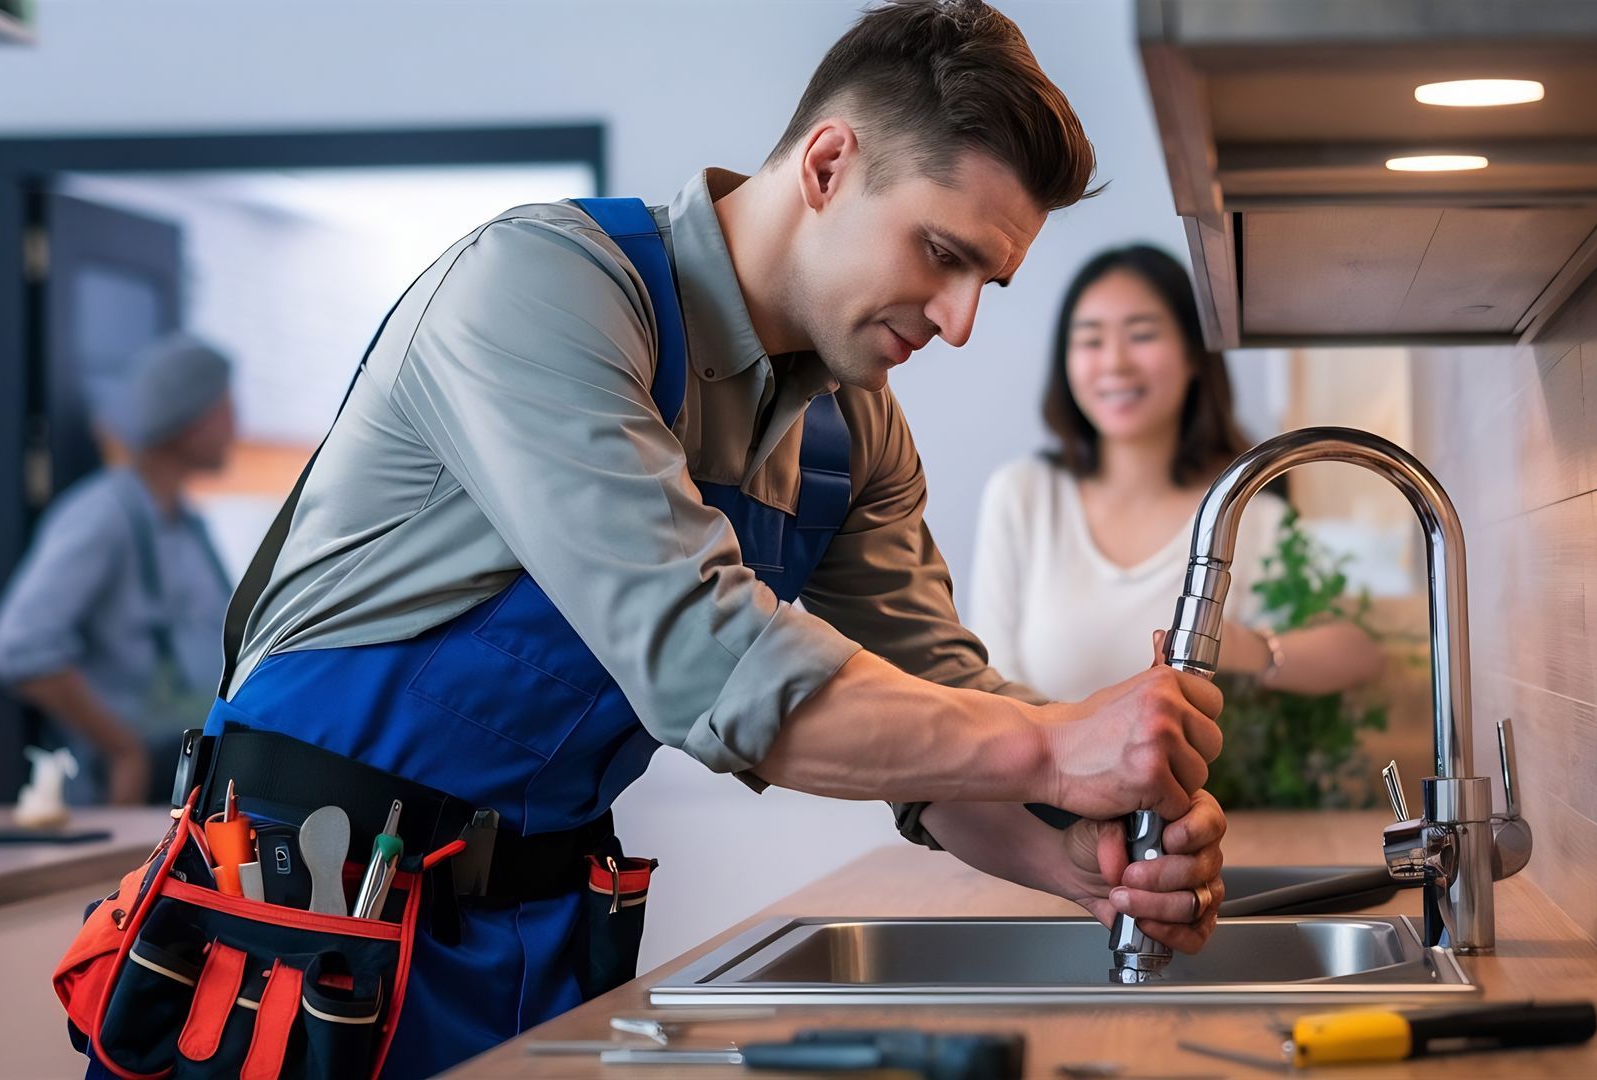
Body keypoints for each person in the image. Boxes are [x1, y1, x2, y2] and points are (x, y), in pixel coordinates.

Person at [198, 5, 1226, 1074]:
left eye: (989, 282)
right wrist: (1062, 746)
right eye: (941, 253)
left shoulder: (853, 428)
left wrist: (1080, 858)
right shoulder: (546, 289)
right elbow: (709, 662)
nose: (961, 320)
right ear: (829, 164)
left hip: (538, 943)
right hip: (292, 935)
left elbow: (934, 716)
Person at [970, 244, 1384, 704]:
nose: (1114, 362)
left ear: (1192, 355)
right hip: (1042, 774)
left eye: (1141, 335)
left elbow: (1360, 654)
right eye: (1090, 340)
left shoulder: (1248, 511)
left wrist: (1244, 648)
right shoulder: (1024, 495)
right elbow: (991, 685)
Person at [0, 335, 236, 805]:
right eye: (224, 406)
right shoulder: (103, 514)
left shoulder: (186, 523)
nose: (236, 424)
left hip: (188, 779)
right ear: (186, 421)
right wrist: (124, 750)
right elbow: (19, 646)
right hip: (131, 790)